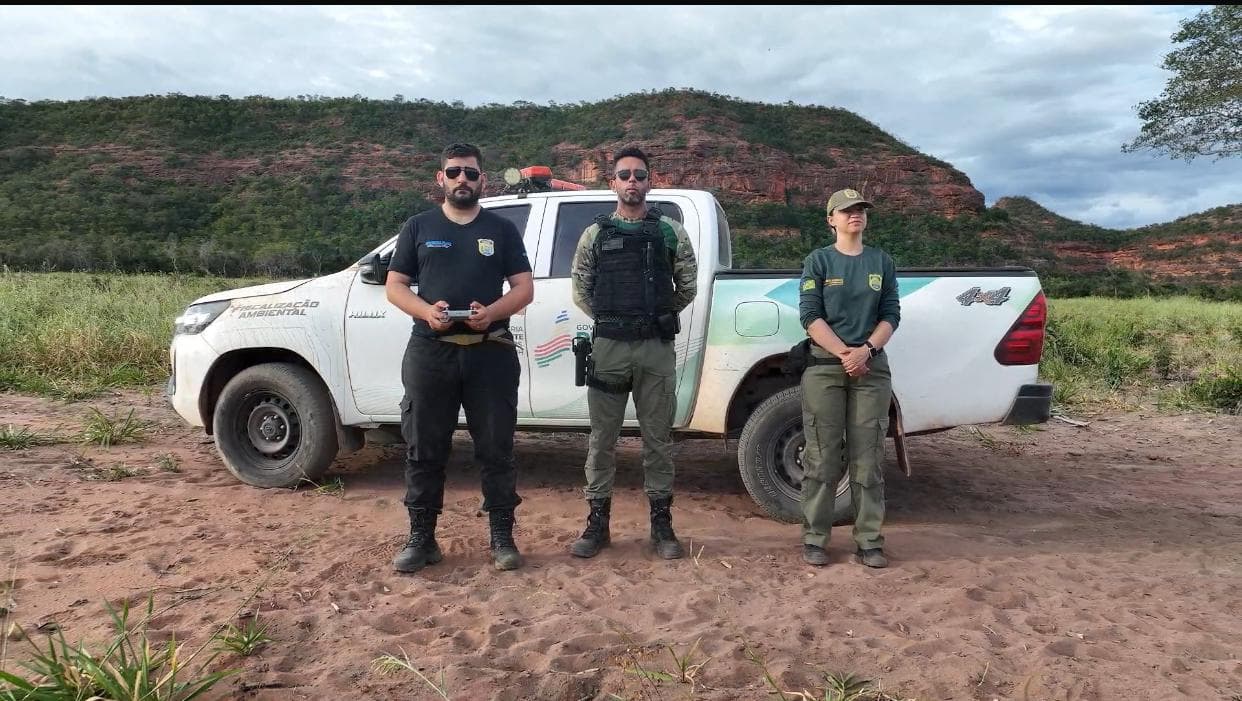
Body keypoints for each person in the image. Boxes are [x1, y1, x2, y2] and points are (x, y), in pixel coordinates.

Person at [385, 142, 534, 573]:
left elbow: (524, 289)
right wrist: (426, 312)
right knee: (423, 447)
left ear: (482, 179)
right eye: (454, 173)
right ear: (440, 178)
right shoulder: (418, 226)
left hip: (491, 353)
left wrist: (491, 314)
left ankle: (502, 539)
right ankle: (422, 539)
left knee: (497, 449)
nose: (462, 180)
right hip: (431, 353)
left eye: (470, 173)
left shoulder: (502, 230)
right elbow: (396, 286)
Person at [568, 146, 698, 560]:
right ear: (613, 183)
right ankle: (597, 524)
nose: (632, 182)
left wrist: (655, 317)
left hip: (655, 349)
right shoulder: (596, 234)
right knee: (602, 440)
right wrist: (616, 317)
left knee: (657, 440)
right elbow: (581, 290)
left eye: (639, 175)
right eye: (624, 175)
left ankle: (662, 525)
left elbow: (688, 285)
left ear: (649, 181)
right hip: (609, 349)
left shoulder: (669, 231)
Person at [797, 188, 900, 568]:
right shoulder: (819, 261)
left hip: (870, 368)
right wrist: (844, 353)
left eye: (860, 210)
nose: (855, 215)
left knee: (868, 457)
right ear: (831, 219)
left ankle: (869, 540)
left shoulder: (881, 262)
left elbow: (891, 314)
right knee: (822, 456)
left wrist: (866, 352)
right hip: (826, 367)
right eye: (846, 210)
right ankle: (815, 538)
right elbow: (810, 315)